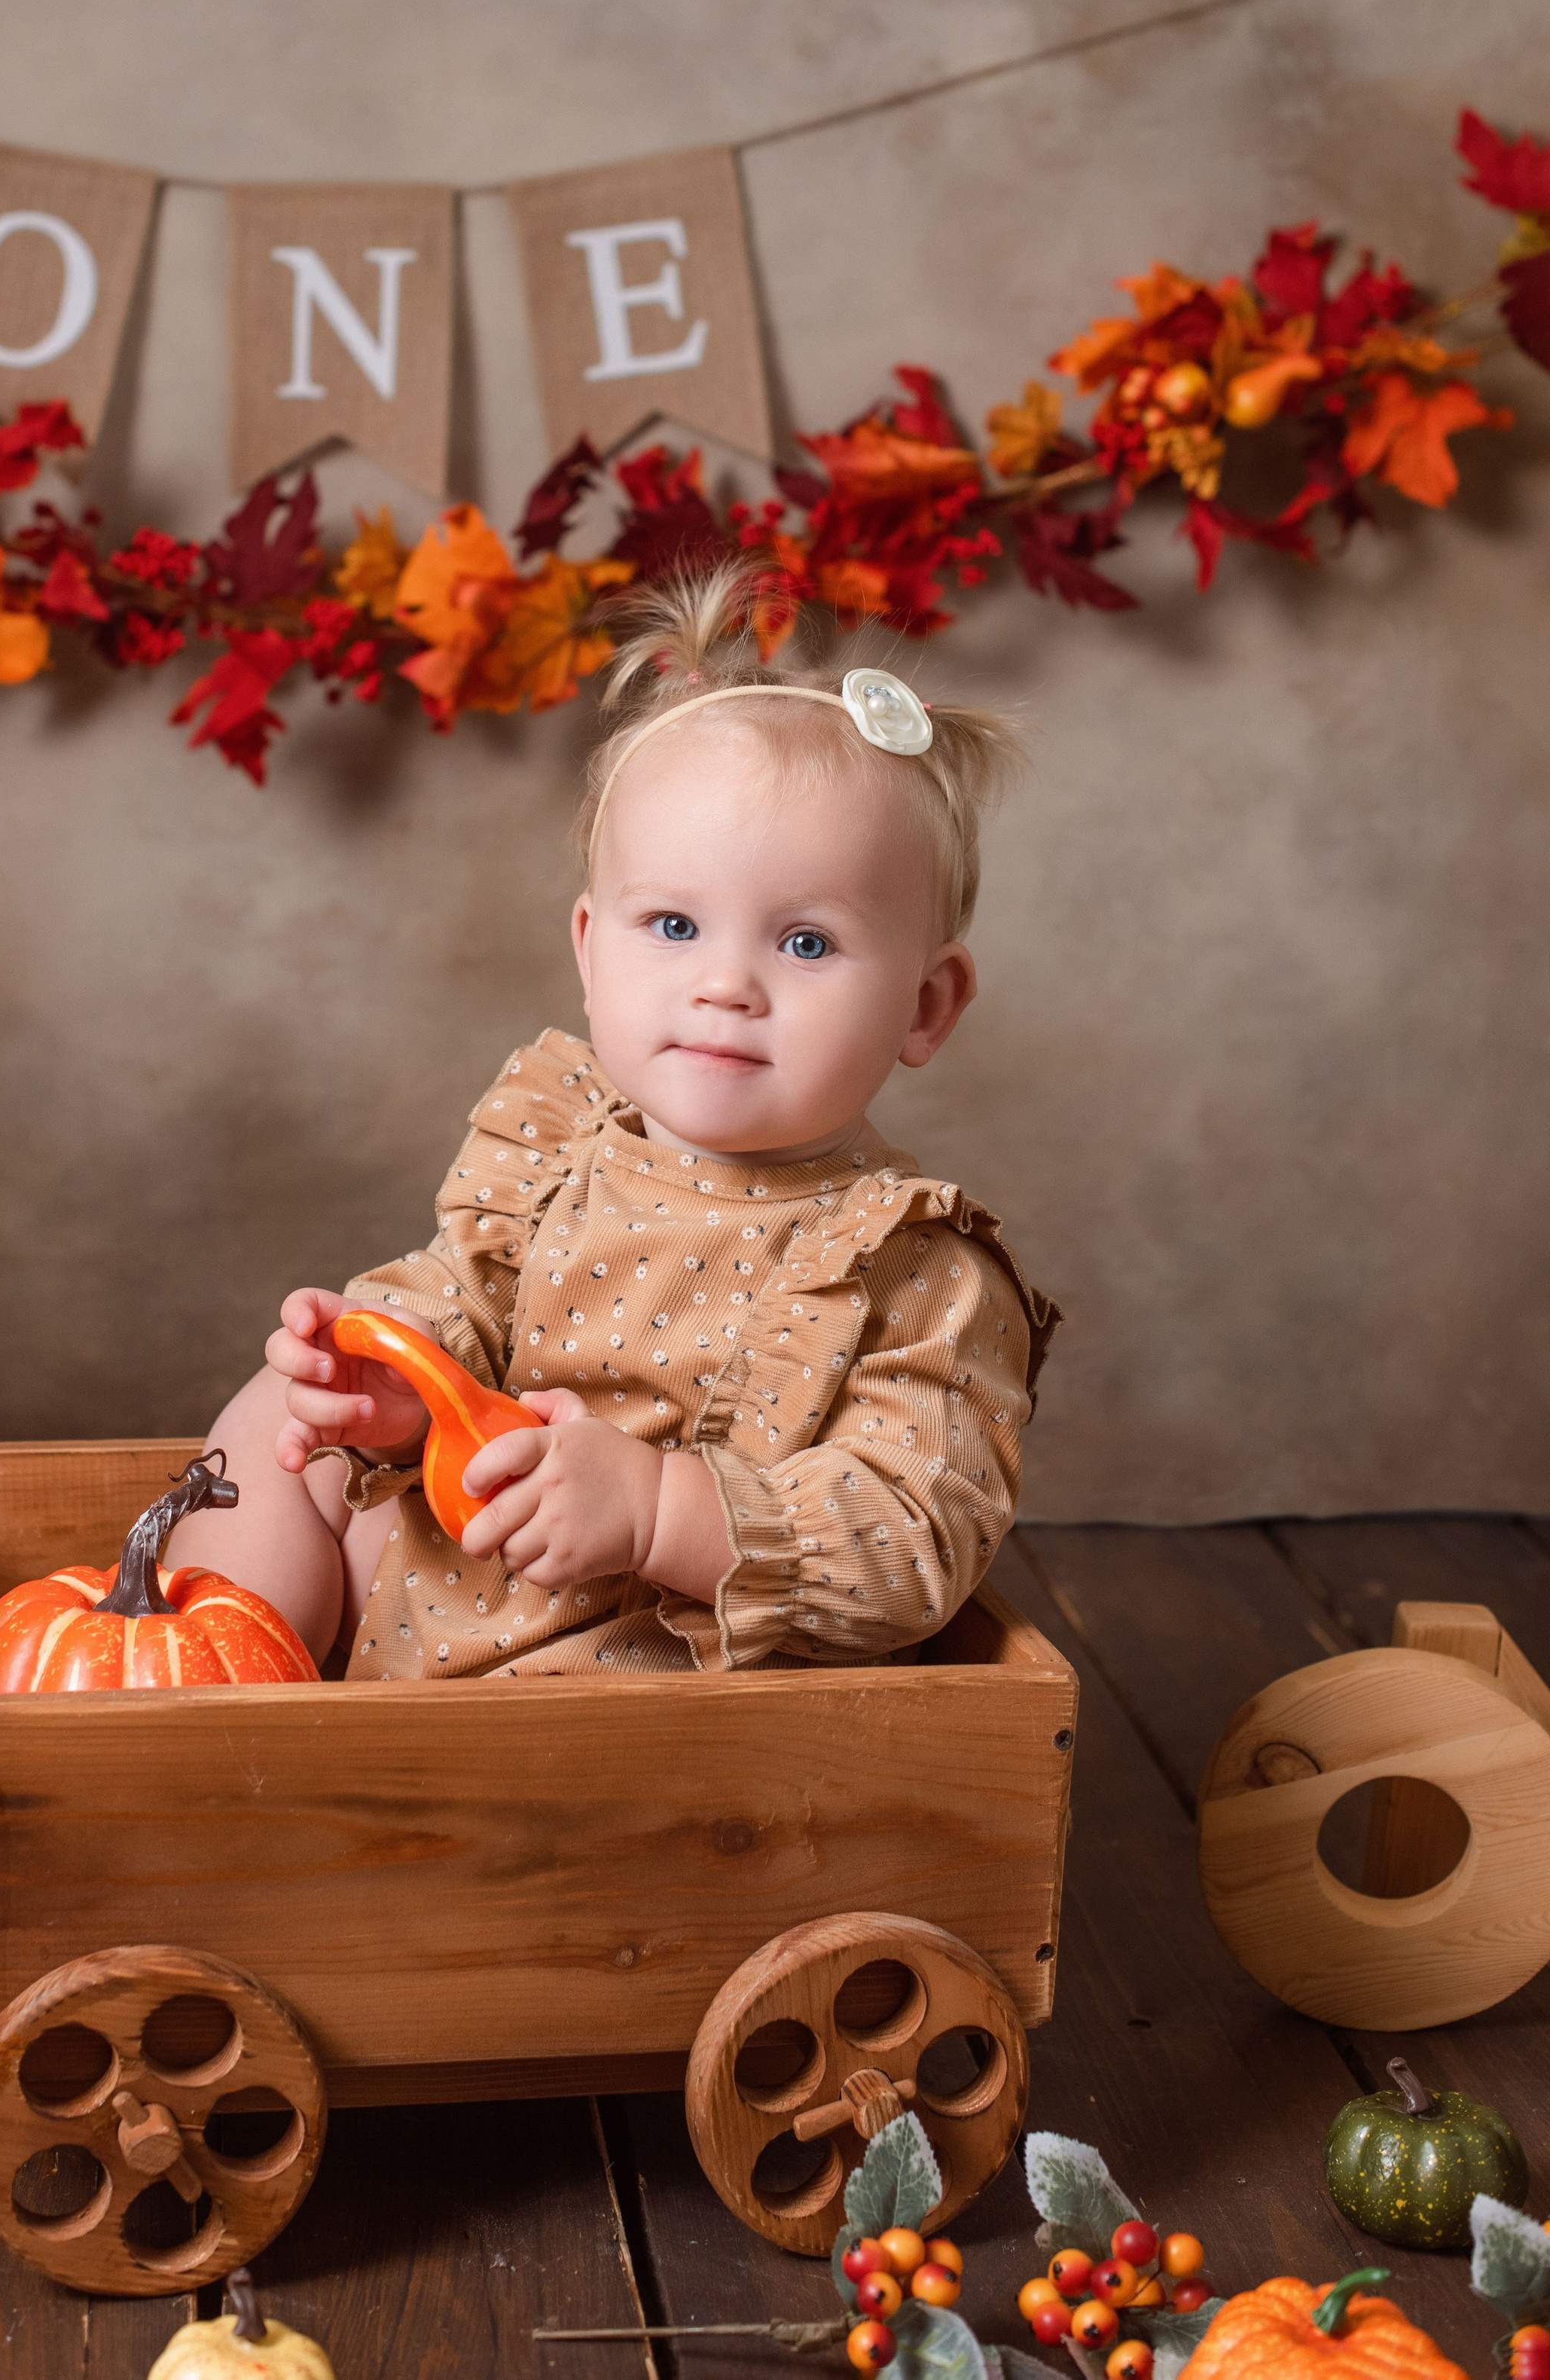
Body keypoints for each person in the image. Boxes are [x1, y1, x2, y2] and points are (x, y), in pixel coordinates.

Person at [172, 570, 1058, 1677]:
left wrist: (660, 1514)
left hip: (626, 1674)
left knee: (619, 1690)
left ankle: (336, 1761)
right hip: (446, 1573)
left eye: (806, 944)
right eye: (676, 924)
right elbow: (467, 1288)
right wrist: (407, 1388)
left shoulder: (914, 1269)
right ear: (592, 951)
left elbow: (912, 1543)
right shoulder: (558, 1147)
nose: (724, 984)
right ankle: (213, 1697)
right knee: (278, 1426)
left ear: (926, 1006)